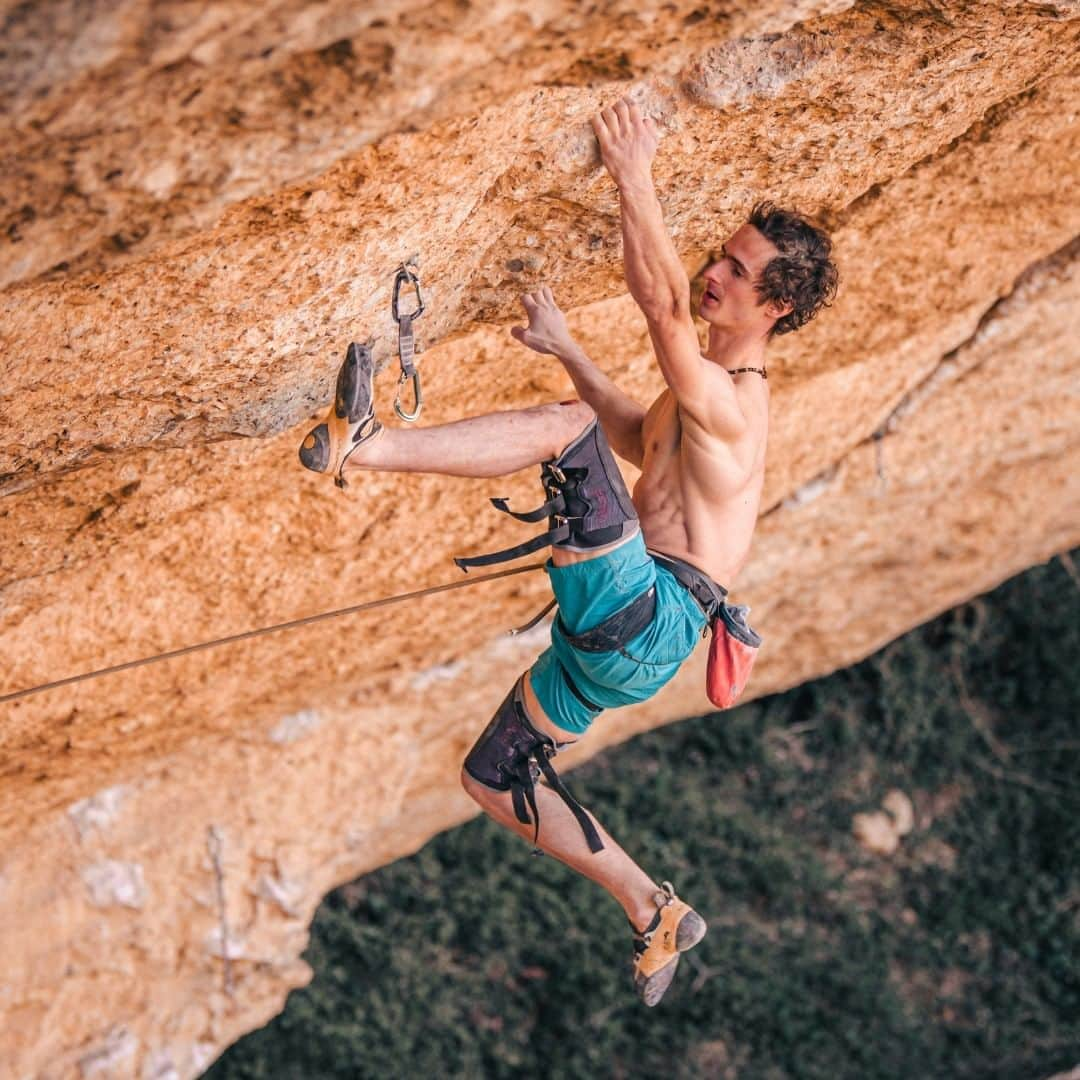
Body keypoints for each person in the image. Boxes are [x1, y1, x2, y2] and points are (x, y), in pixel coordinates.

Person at [299, 96, 838, 1005]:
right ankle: (651, 906)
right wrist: (570, 349)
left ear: (774, 305)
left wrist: (635, 172)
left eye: (737, 271)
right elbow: (640, 437)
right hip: (635, 643)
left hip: (650, 611)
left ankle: (366, 445)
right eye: (719, 256)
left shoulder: (736, 399)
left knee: (565, 429)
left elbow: (664, 313)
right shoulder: (710, 396)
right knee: (494, 775)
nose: (713, 273)